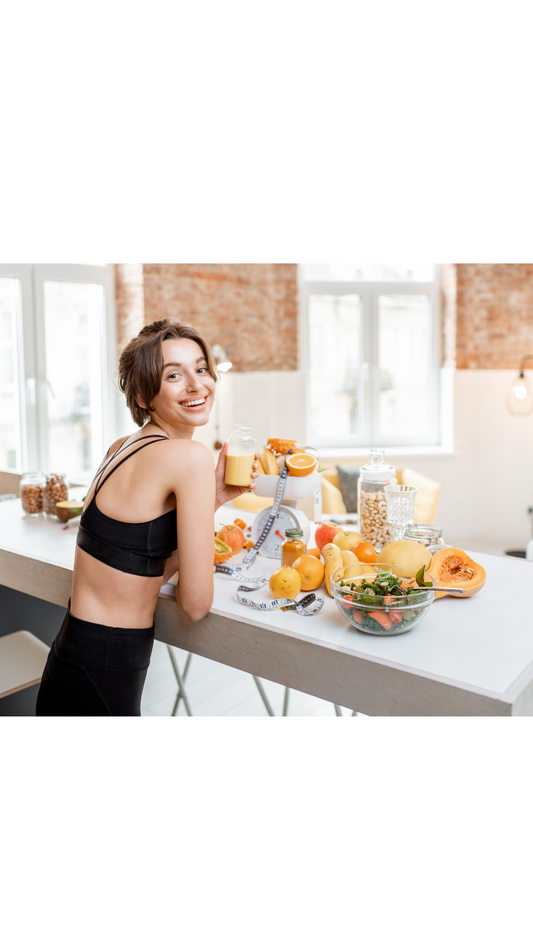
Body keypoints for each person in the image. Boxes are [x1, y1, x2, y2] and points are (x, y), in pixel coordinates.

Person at [36, 319, 258, 716]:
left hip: (70, 659)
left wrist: (215, 496)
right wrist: (206, 491)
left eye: (201, 368)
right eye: (174, 375)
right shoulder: (189, 457)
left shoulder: (122, 447)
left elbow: (140, 569)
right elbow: (195, 604)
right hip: (107, 670)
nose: (196, 385)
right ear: (142, 396)